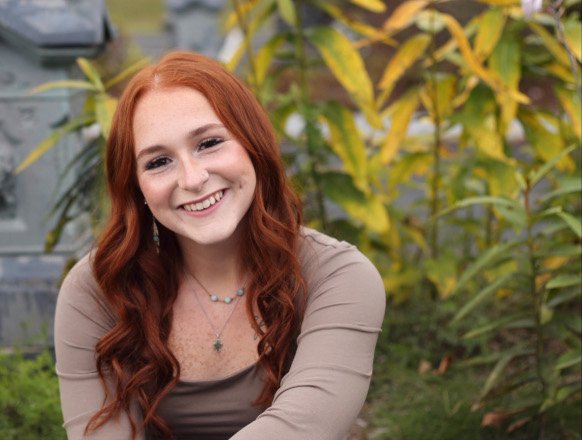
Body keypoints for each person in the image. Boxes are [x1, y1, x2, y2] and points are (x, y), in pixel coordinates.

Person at [54, 51, 385, 440]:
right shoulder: (98, 289)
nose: (192, 179)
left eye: (209, 143)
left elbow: (305, 428)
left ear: (252, 143)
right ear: (136, 187)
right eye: (158, 162)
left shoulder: (338, 277)